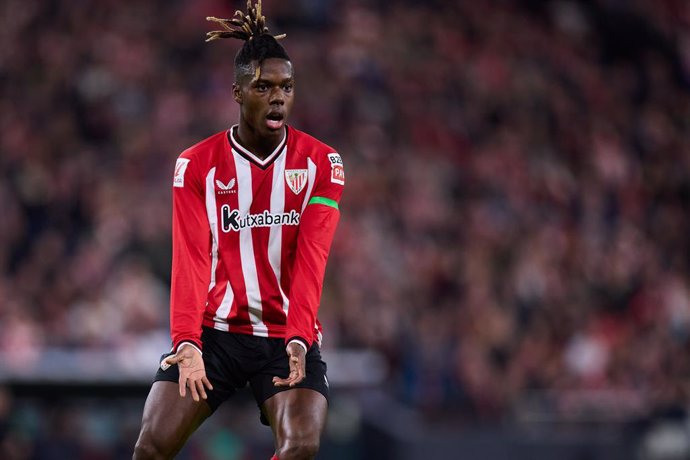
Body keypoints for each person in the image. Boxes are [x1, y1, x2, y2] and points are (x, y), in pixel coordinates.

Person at [132, 2, 344, 459]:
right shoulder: (196, 165)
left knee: (301, 446)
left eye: (286, 87)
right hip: (215, 333)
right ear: (237, 91)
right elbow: (189, 258)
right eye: (263, 87)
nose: (278, 97)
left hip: (285, 335)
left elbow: (313, 257)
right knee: (151, 445)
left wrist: (298, 336)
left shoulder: (321, 164)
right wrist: (186, 342)